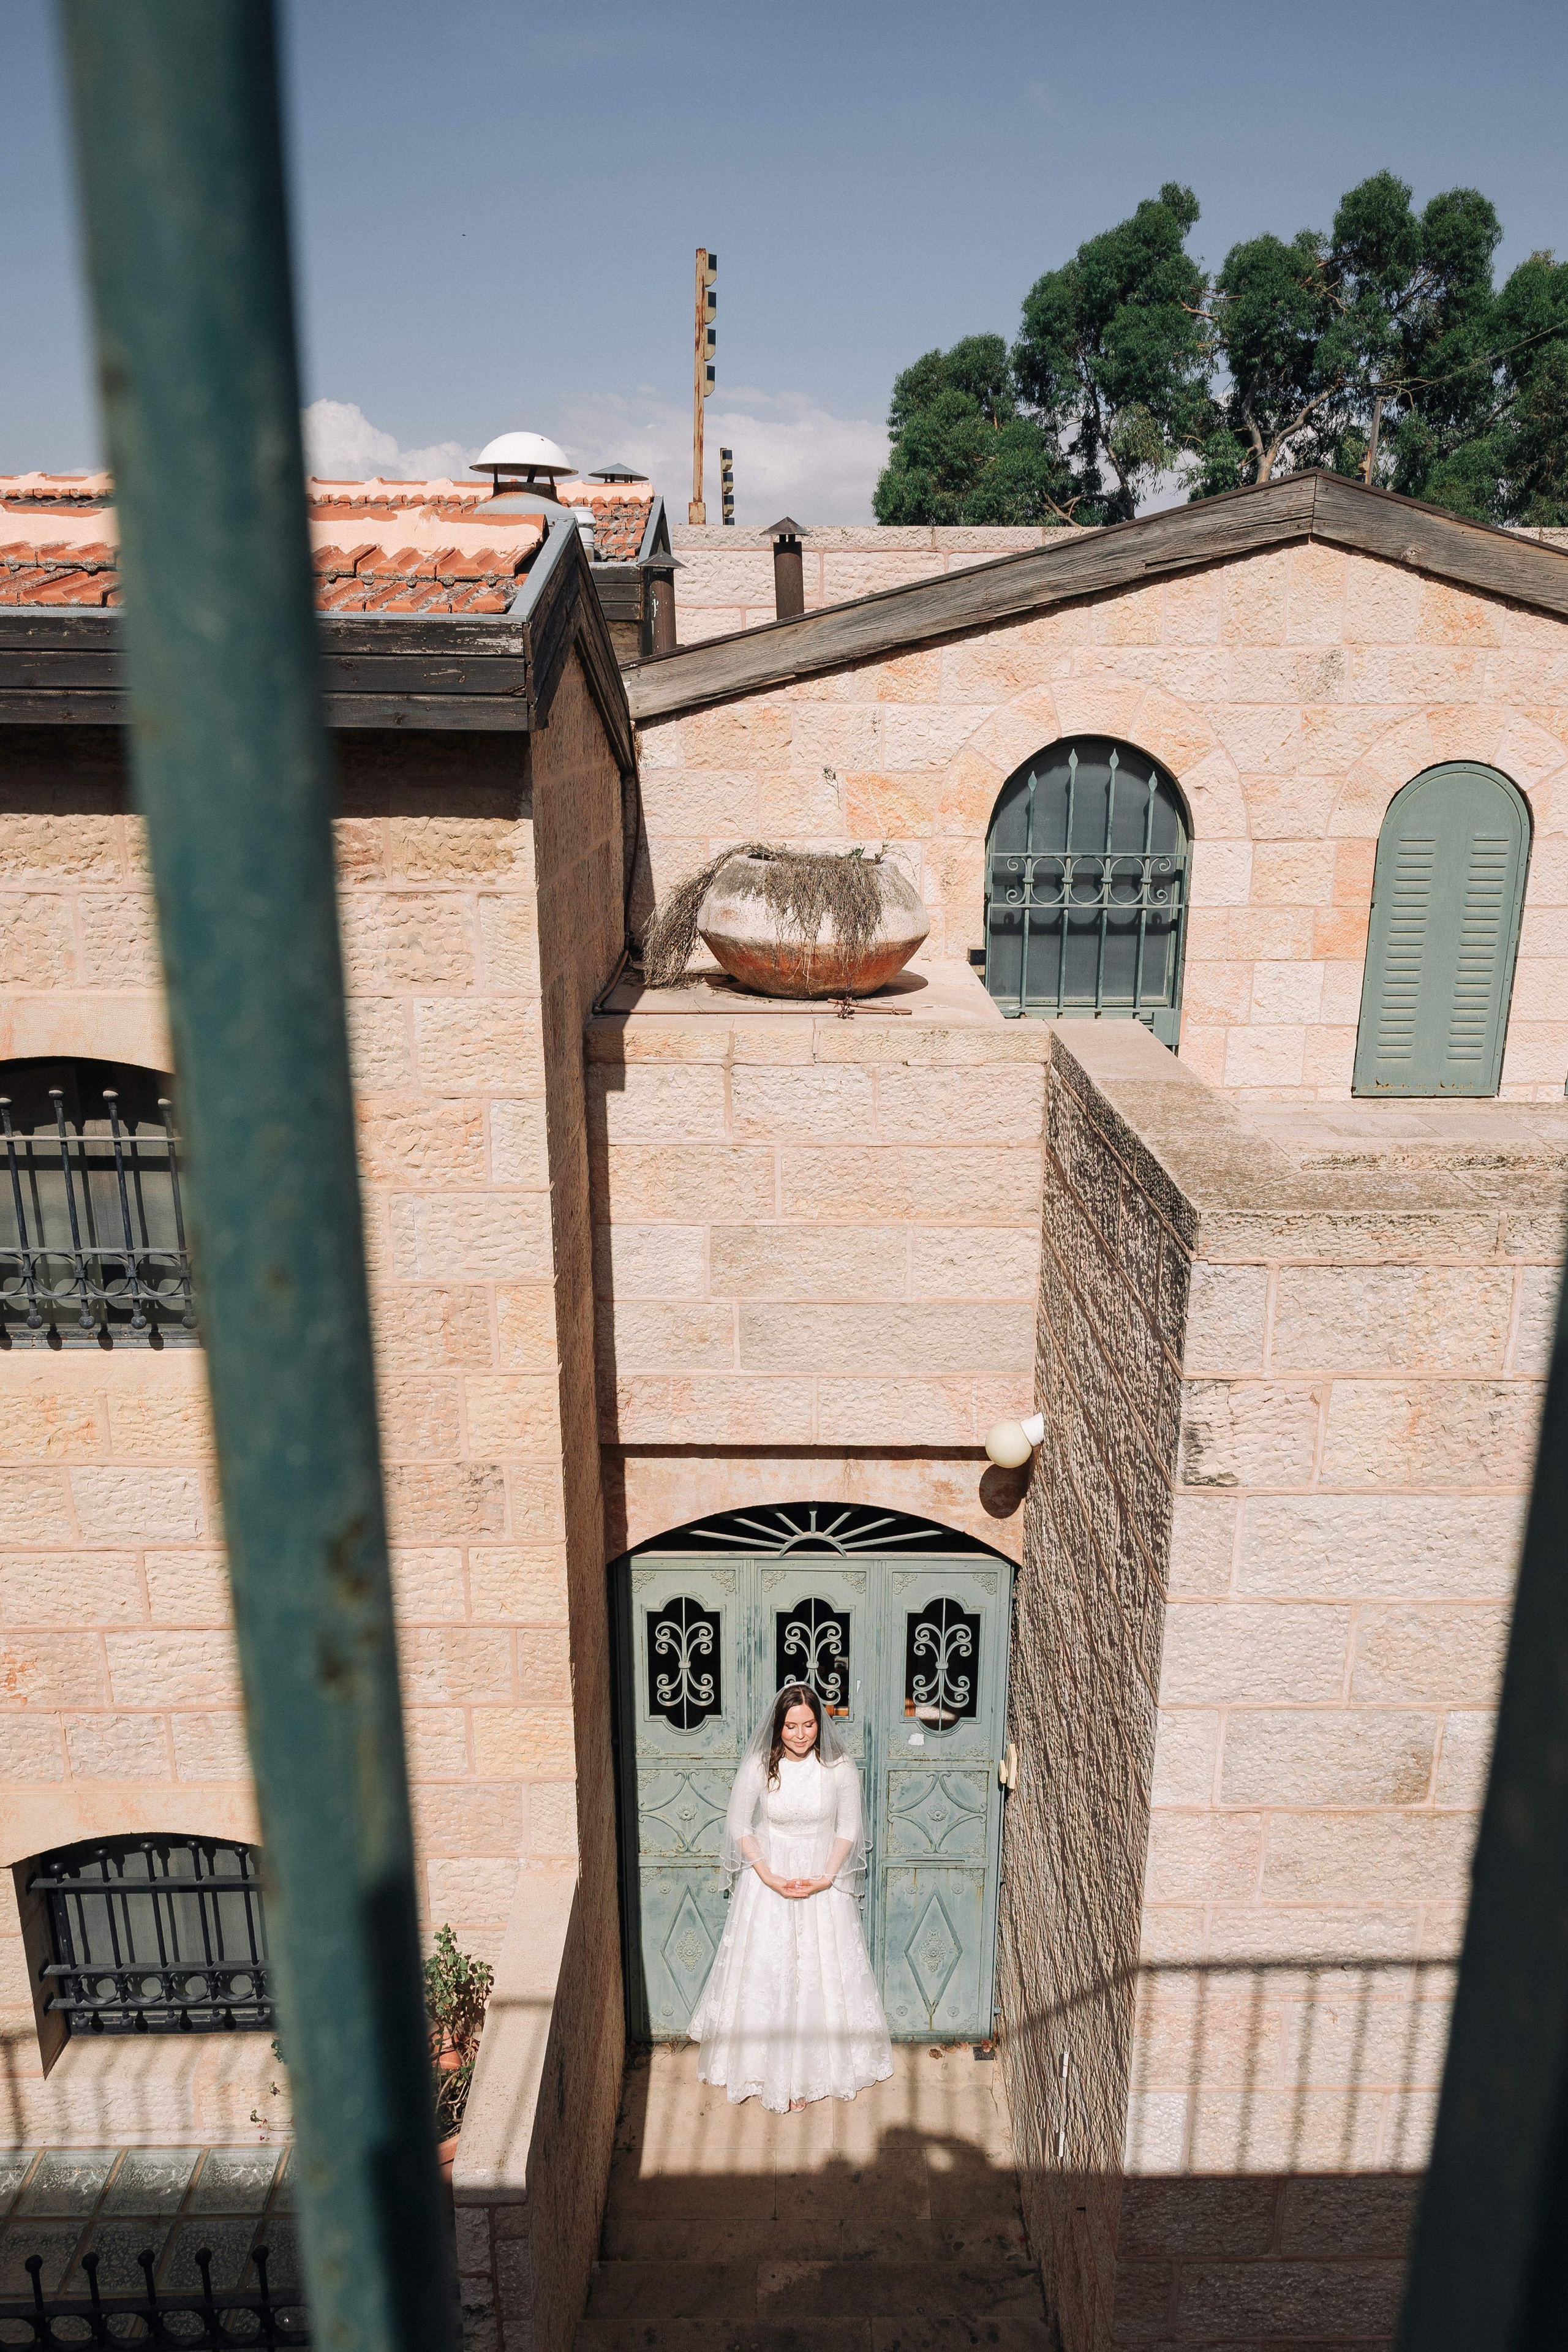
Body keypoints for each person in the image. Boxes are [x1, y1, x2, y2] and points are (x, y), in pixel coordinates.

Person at [689, 1681, 893, 2113]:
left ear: (820, 1723)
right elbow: (740, 1826)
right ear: (778, 1726)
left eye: (809, 1724)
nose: (800, 1735)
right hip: (769, 1881)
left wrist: (825, 1877)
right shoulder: (759, 1766)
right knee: (769, 1970)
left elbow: (848, 1828)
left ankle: (806, 2075)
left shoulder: (839, 1769)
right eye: (791, 1726)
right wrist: (767, 1874)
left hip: (821, 1881)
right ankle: (760, 2070)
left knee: (817, 1973)